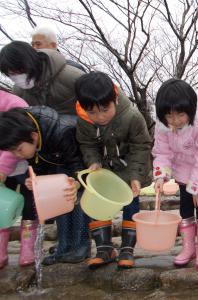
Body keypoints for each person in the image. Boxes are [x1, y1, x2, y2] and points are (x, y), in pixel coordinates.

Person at [75, 71, 152, 269]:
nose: (99, 117)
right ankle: (104, 248)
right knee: (96, 201)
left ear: (115, 99)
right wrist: (92, 162)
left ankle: (127, 248)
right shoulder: (83, 120)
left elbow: (141, 146)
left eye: (104, 109)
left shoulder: (132, 116)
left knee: (131, 200)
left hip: (128, 165)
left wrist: (136, 176)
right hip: (103, 168)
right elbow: (86, 144)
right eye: (92, 112)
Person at [0, 106, 90, 266]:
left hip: (83, 161)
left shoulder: (61, 132)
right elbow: (38, 164)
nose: (17, 156)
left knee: (77, 200)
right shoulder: (30, 133)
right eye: (13, 152)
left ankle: (81, 246)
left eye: (19, 150)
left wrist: (77, 183)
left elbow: (79, 162)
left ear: (33, 137)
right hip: (60, 161)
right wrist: (36, 180)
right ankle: (64, 245)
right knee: (60, 200)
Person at [152, 78, 198, 268]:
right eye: (169, 116)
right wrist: (160, 176)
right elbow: (162, 152)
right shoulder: (163, 128)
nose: (175, 121)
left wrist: (197, 186)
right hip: (181, 173)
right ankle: (188, 247)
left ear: (191, 109)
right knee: (185, 208)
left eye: (180, 115)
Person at [0, 41, 84, 115]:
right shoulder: (18, 92)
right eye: (12, 74)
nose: (18, 77)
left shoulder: (73, 77)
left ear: (32, 61)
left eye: (21, 70)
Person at [0, 91, 30, 268]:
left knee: (29, 206)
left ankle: (28, 249)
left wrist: (2, 167)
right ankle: (1, 250)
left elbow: (18, 140)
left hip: (22, 165)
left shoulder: (11, 102)